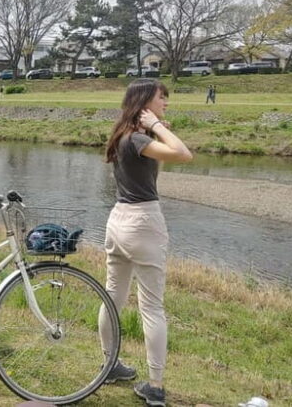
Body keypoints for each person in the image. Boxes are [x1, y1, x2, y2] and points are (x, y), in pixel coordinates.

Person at [98, 78, 192, 407]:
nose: (165, 102)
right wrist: (156, 127)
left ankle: (109, 365)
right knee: (151, 306)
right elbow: (184, 154)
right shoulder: (138, 137)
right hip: (143, 222)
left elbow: (151, 172)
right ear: (143, 103)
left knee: (113, 295)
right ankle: (155, 385)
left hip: (118, 220)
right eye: (160, 97)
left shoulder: (125, 136)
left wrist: (155, 131)